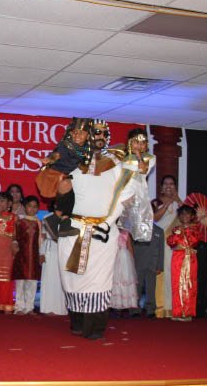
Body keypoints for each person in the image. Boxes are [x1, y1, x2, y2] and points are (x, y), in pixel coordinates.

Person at [57, 119, 136, 340]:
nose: (100, 137)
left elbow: (125, 195)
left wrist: (107, 222)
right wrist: (61, 189)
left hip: (103, 232)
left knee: (100, 279)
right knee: (72, 277)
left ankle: (95, 328)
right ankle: (77, 322)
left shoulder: (116, 164)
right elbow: (57, 191)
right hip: (74, 228)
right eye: (96, 133)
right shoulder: (72, 162)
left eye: (104, 133)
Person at [36, 117, 92, 199]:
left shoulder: (88, 149)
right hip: (56, 177)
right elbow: (57, 154)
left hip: (75, 179)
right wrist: (50, 159)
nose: (77, 135)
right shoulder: (65, 145)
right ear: (71, 133)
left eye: (81, 133)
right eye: (75, 132)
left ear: (88, 136)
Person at [152, 175, 183, 318]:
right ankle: (160, 308)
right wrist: (168, 203)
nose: (168, 186)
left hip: (174, 245)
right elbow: (154, 218)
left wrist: (178, 201)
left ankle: (172, 308)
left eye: (171, 184)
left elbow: (187, 218)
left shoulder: (179, 204)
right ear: (161, 187)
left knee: (173, 274)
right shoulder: (156, 202)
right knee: (161, 274)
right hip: (159, 243)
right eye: (165, 184)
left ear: (175, 187)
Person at [119, 128, 156, 242]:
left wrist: (138, 155)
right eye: (136, 142)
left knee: (131, 228)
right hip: (119, 193)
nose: (140, 145)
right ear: (130, 142)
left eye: (143, 142)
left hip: (136, 194)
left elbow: (143, 170)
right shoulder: (120, 157)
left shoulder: (150, 158)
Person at [167, 204, 201, 321]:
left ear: (192, 216)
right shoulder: (176, 229)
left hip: (189, 257)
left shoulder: (195, 229)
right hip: (177, 257)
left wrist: (185, 231)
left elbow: (194, 241)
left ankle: (187, 313)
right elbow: (171, 241)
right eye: (182, 214)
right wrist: (177, 236)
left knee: (188, 283)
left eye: (187, 214)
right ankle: (177, 312)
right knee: (176, 283)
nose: (184, 216)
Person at [13, 195, 43, 315]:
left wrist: (41, 254)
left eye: (35, 207)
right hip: (21, 256)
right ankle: (19, 307)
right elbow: (14, 237)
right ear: (25, 207)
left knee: (32, 282)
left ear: (38, 209)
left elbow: (40, 240)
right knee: (20, 282)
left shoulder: (38, 223)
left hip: (34, 256)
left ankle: (29, 307)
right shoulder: (19, 221)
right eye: (30, 206)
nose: (32, 209)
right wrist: (14, 246)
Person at [131, 223, 165, 318]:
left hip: (152, 263)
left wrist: (159, 266)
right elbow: (132, 246)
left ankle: (150, 310)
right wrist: (131, 262)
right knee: (137, 287)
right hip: (138, 262)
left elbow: (161, 249)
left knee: (151, 288)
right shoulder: (137, 228)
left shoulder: (159, 230)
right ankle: (134, 309)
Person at [39, 201, 67, 316]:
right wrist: (41, 253)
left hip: (64, 251)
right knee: (49, 279)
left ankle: (61, 309)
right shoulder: (48, 217)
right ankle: (48, 308)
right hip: (49, 251)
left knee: (62, 281)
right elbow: (43, 237)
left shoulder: (68, 218)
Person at [110, 229, 138, 315]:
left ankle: (126, 304)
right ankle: (115, 304)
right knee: (115, 280)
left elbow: (129, 247)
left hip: (125, 258)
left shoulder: (126, 233)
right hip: (114, 257)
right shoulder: (112, 232)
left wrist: (132, 261)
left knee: (125, 279)